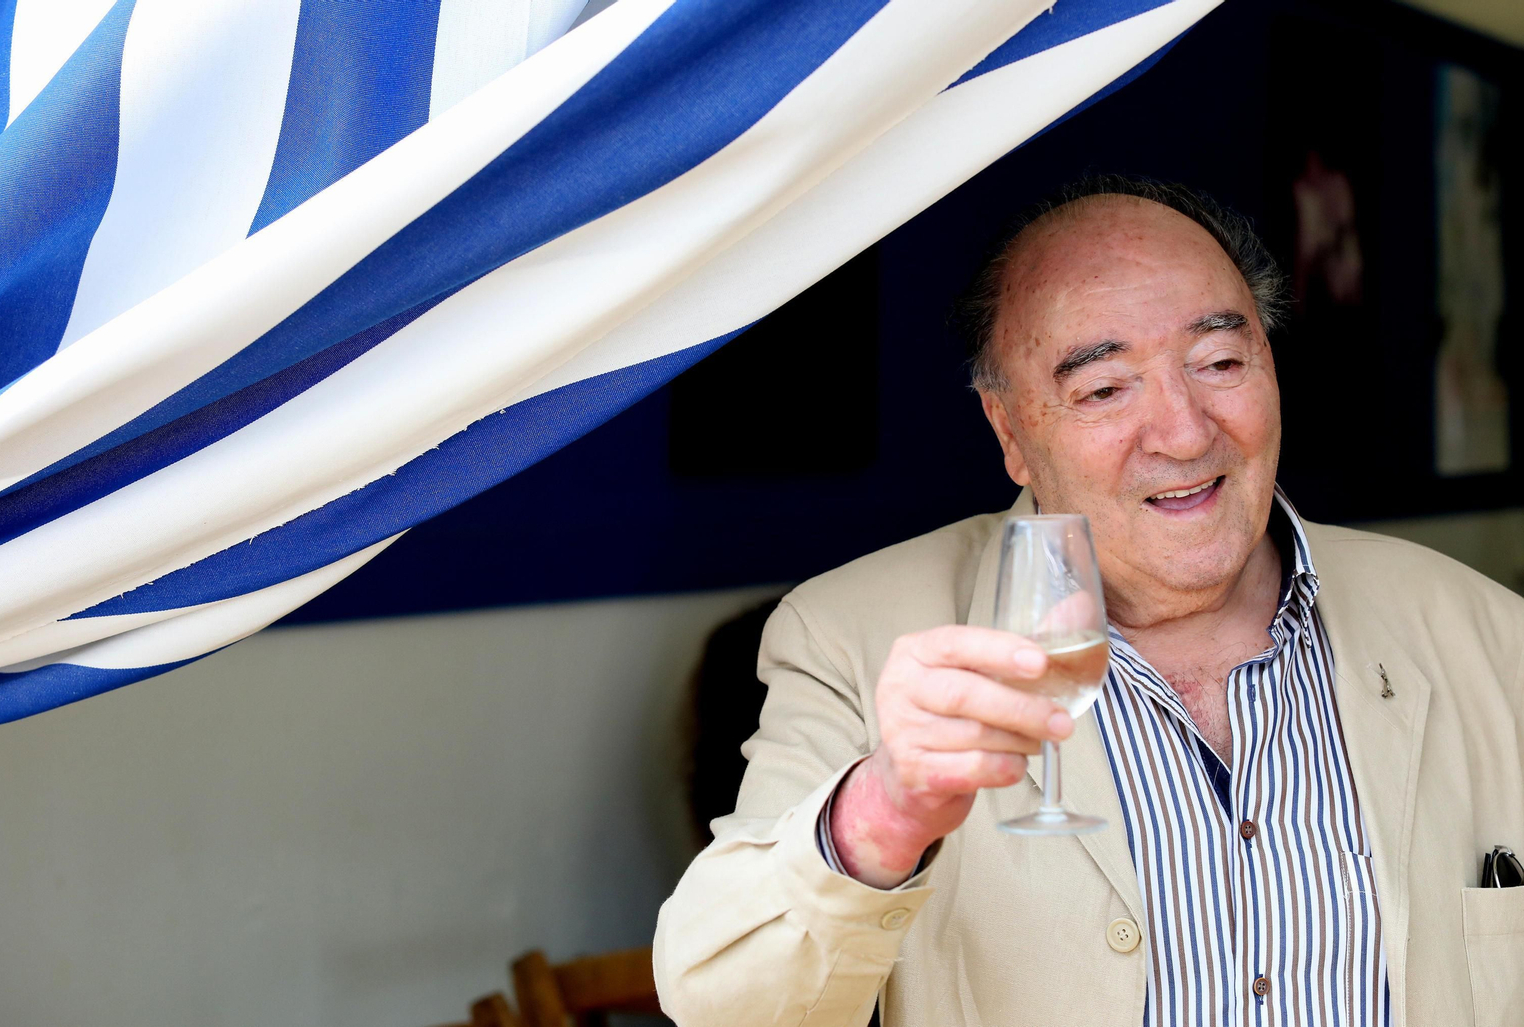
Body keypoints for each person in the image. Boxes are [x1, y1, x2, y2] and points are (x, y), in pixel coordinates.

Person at [652, 175, 1524, 1026]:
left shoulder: (1490, 635)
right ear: (1011, 433)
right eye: (1105, 388)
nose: (1184, 431)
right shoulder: (850, 637)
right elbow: (725, 1004)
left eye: (1220, 360)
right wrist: (880, 818)